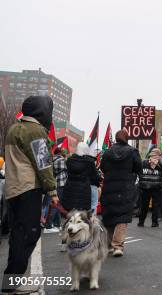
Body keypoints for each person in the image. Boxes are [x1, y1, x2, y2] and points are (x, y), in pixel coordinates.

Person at [2, 96, 58, 294]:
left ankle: (10, 281)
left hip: (12, 189)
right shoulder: (36, 131)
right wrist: (52, 191)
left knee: (17, 235)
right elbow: (43, 164)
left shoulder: (13, 129)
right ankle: (13, 282)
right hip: (28, 189)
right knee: (28, 235)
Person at [100, 129, 142, 257]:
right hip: (126, 187)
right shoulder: (132, 151)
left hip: (109, 187)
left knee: (109, 216)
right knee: (122, 217)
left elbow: (102, 167)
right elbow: (138, 167)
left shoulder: (107, 152)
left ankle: (108, 246)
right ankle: (118, 246)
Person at [61, 143, 97, 213]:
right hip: (84, 192)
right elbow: (94, 176)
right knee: (81, 215)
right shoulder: (90, 162)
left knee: (69, 214)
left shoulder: (69, 160)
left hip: (70, 190)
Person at [138, 148, 162, 227]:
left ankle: (141, 221)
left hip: (145, 187)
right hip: (156, 187)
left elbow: (139, 172)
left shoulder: (143, 162)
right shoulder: (161, 163)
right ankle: (154, 222)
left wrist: (142, 180)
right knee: (155, 205)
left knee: (144, 205)